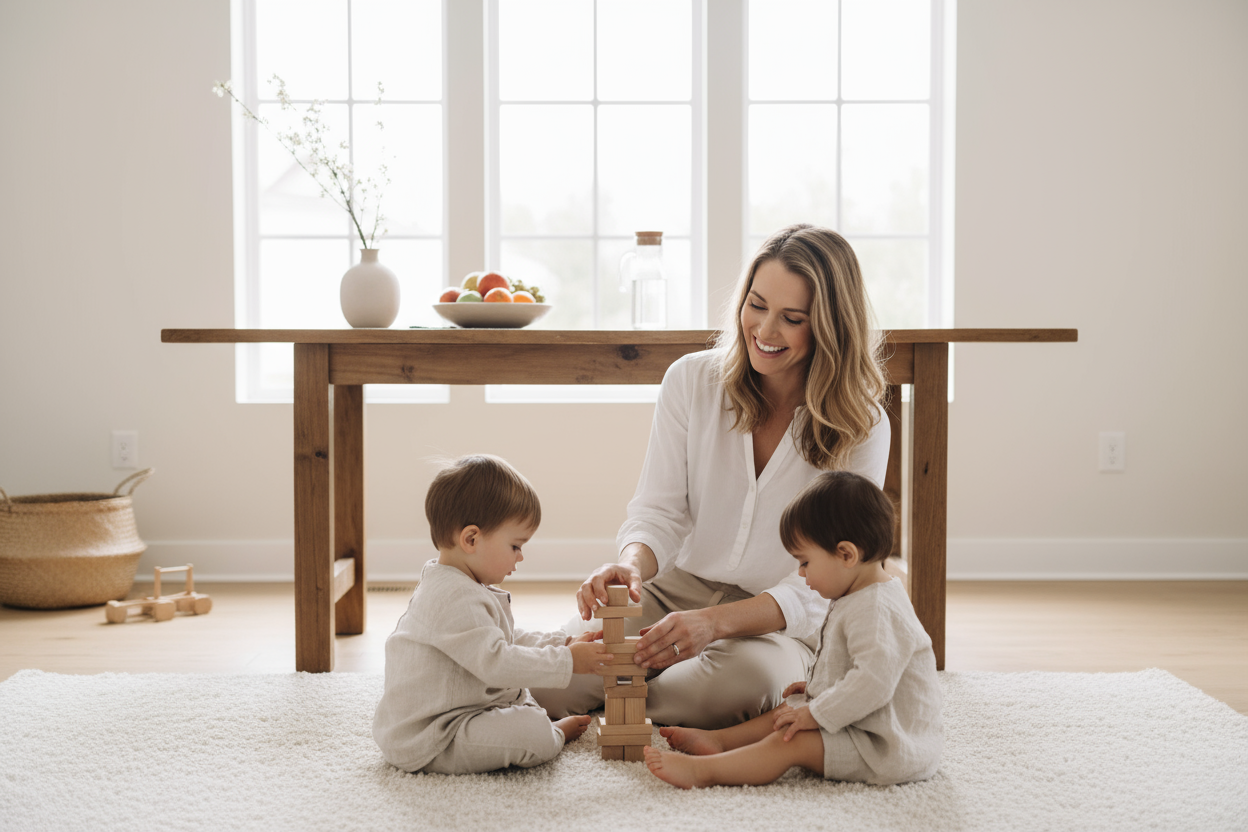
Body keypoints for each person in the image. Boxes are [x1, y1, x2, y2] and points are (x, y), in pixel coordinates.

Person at [532, 223, 892, 730]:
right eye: (756, 305)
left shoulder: (863, 424)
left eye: (791, 319)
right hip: (672, 591)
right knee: (551, 678)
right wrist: (630, 567)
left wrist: (713, 624)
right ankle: (638, 691)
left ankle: (631, 697)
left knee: (722, 691)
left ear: (831, 328)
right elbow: (658, 512)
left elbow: (830, 578)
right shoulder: (691, 381)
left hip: (776, 625)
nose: (764, 331)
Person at [644, 471, 943, 788]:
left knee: (791, 738)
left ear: (846, 554)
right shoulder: (857, 594)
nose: (800, 573)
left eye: (804, 562)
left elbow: (873, 683)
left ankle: (703, 772)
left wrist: (815, 714)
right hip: (865, 721)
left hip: (885, 747)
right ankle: (720, 741)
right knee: (792, 707)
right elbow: (858, 665)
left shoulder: (877, 609)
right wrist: (821, 685)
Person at [372, 454, 613, 774]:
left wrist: (561, 643)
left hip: (458, 711)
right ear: (471, 539)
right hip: (433, 736)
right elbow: (497, 662)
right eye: (515, 546)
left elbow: (504, 638)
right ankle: (553, 734)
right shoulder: (452, 597)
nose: (521, 557)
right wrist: (567, 661)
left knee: (525, 701)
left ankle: (540, 724)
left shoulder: (460, 583)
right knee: (532, 732)